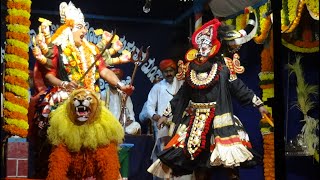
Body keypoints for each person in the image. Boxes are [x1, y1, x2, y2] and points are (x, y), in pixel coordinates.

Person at [147, 8, 269, 180]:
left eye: (206, 45)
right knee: (199, 166)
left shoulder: (222, 69)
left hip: (220, 121)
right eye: (200, 46)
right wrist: (164, 115)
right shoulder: (191, 72)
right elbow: (181, 97)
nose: (203, 50)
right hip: (195, 124)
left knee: (230, 164)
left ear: (213, 47)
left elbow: (239, 88)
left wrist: (259, 105)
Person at [29, 1, 134, 178]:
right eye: (79, 27)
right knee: (51, 124)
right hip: (66, 98)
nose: (84, 31)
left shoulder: (92, 50)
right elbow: (49, 76)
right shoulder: (58, 49)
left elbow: (105, 70)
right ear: (69, 29)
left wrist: (121, 85)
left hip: (91, 101)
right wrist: (63, 84)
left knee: (104, 139)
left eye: (84, 27)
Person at [144, 59, 184, 179]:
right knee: (163, 153)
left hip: (180, 126)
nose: (169, 74)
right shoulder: (158, 87)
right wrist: (158, 118)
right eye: (165, 72)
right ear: (162, 73)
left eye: (171, 71)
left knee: (179, 152)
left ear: (175, 70)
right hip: (163, 126)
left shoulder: (182, 84)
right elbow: (149, 107)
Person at [104, 68, 141, 135]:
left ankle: (121, 133)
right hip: (108, 126)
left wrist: (126, 122)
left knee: (136, 125)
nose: (115, 84)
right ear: (109, 81)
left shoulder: (124, 94)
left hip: (122, 125)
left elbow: (131, 114)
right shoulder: (103, 94)